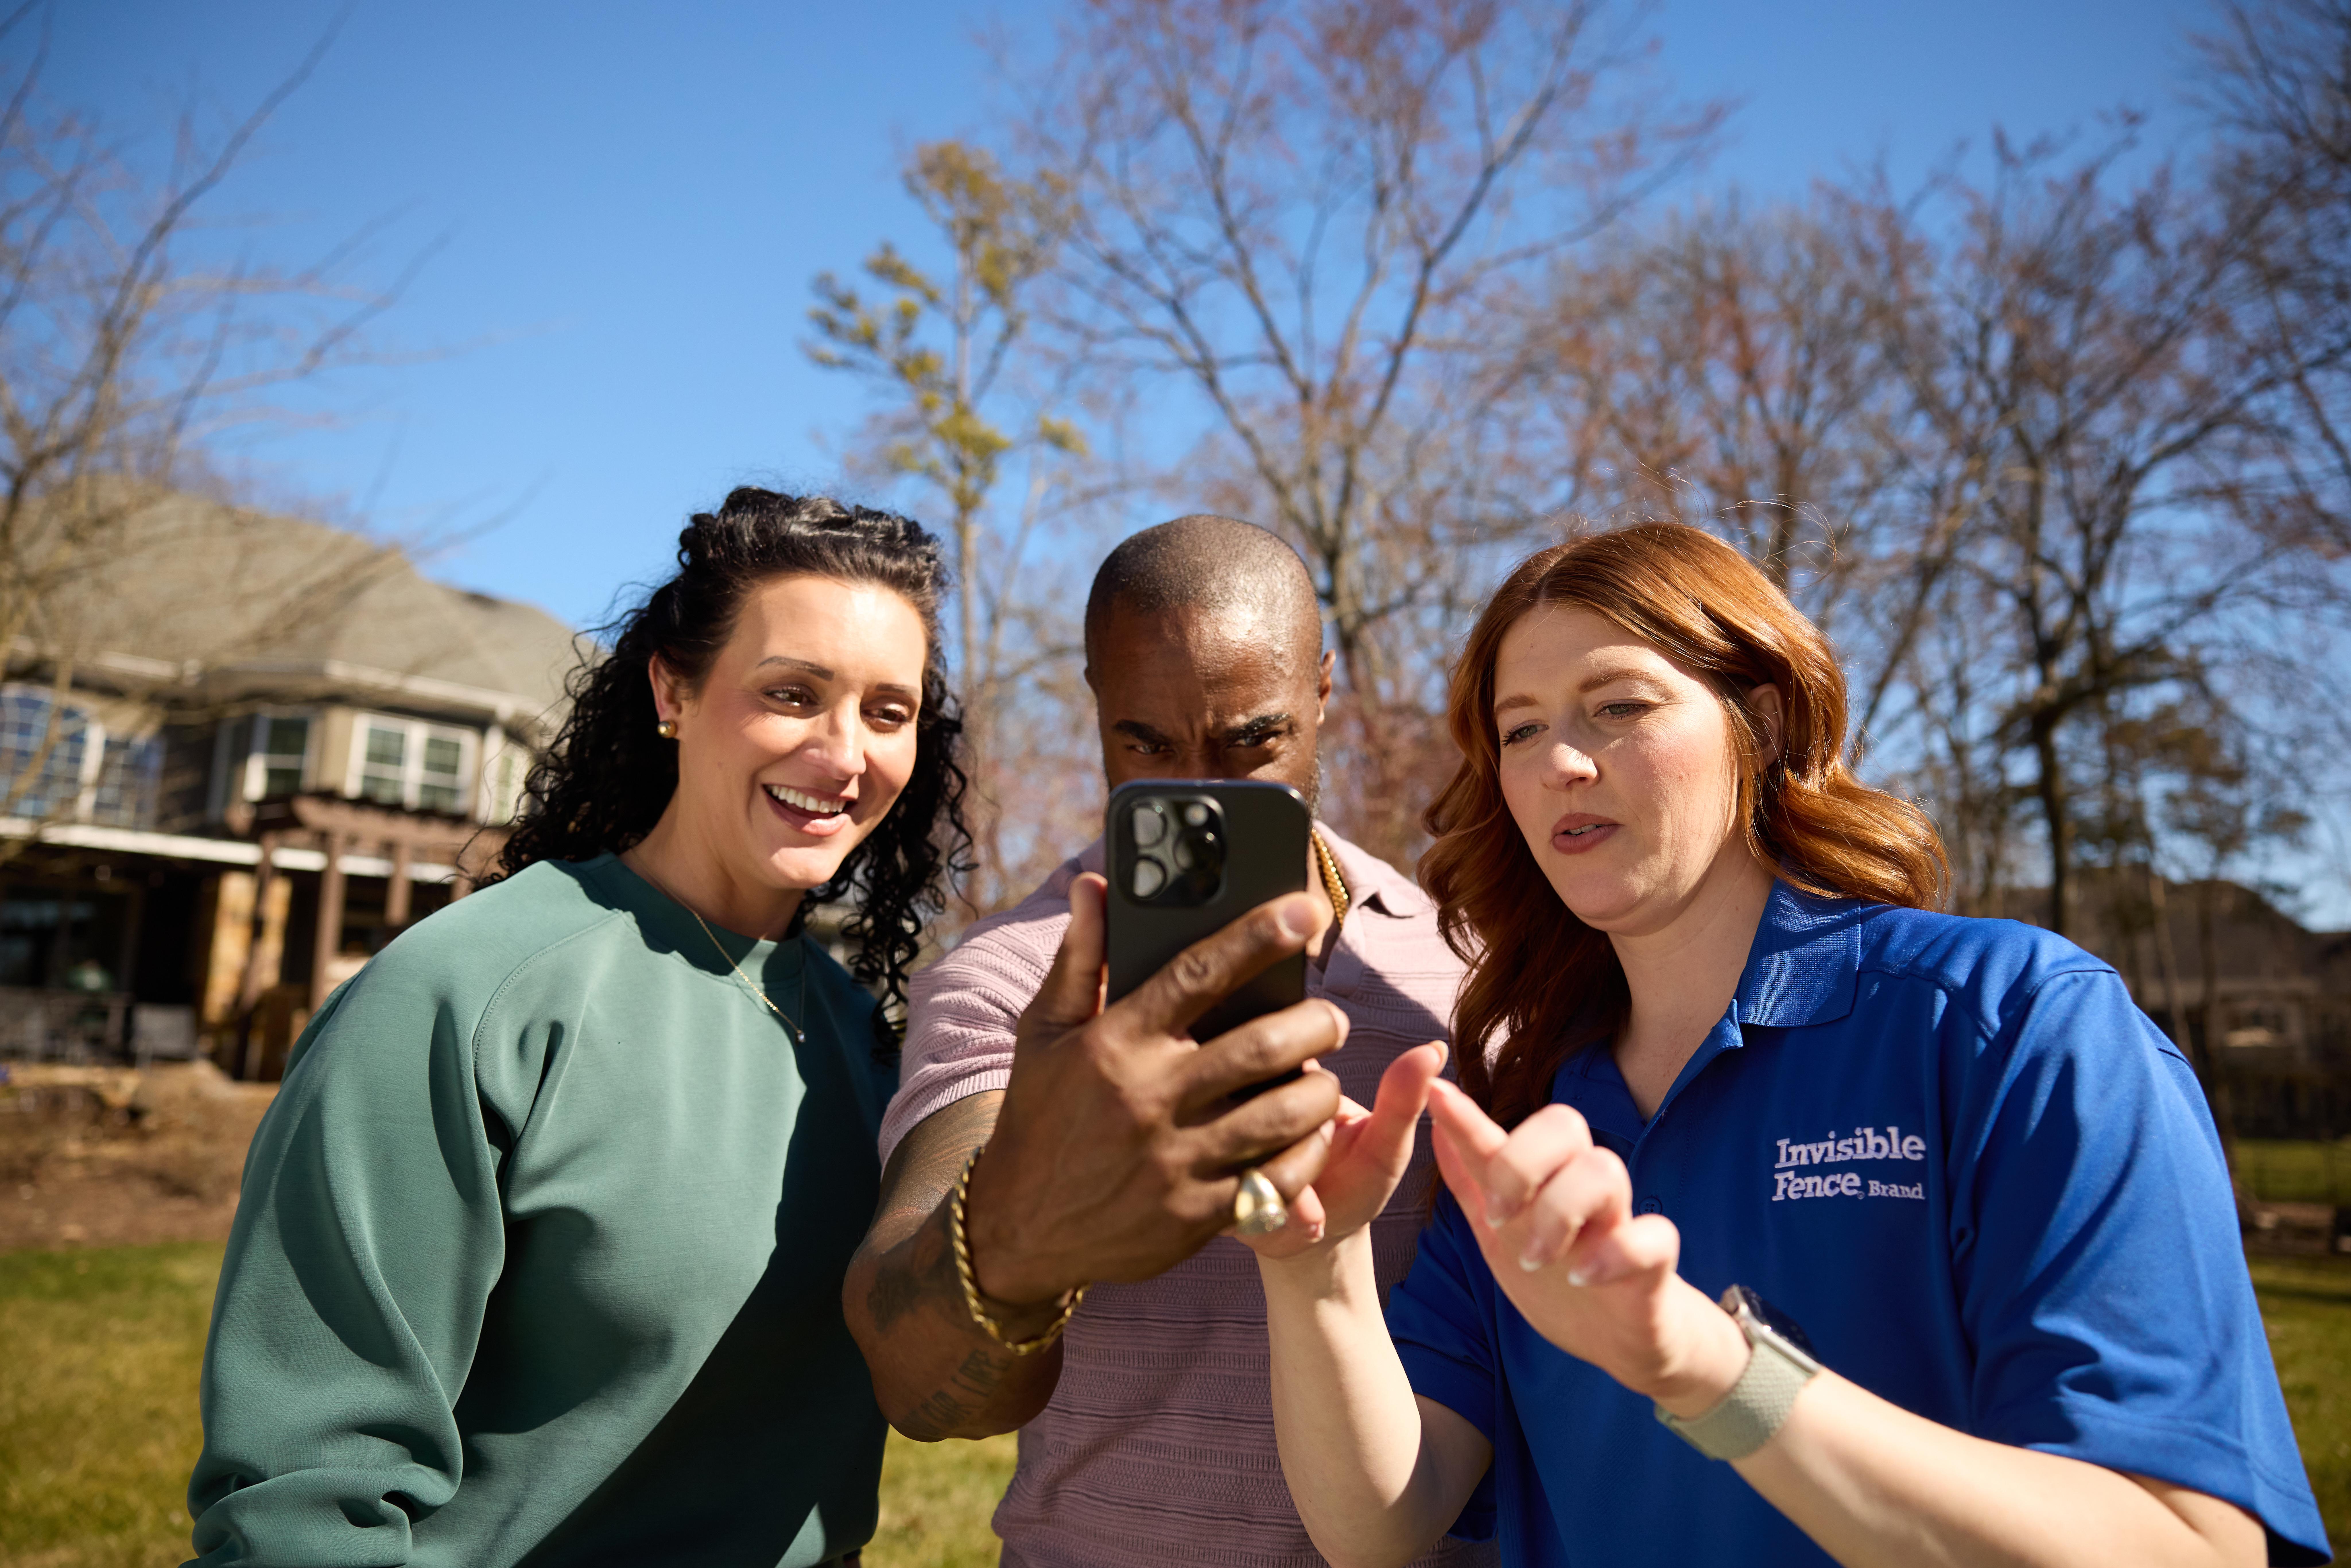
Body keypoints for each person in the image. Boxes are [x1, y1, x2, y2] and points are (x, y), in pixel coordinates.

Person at [1243, 523, 2330, 1568]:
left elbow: (2190, 1544)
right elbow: (1378, 1524)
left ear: (1758, 723)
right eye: (1520, 728)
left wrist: (1719, 1376)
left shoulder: (2012, 1025)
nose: (1560, 760)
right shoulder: (1531, 1124)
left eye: (1617, 704)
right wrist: (1314, 1267)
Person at [186, 489, 971, 1567]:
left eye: (890, 712)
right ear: (673, 690)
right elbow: (303, 1503)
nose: (845, 755)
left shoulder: (866, 1041)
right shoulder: (465, 999)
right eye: (792, 694)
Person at [844, 515, 1491, 1568]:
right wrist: (1027, 1217)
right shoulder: (1015, 979)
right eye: (1146, 745)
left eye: (1253, 742)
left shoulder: (1458, 966)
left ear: (1323, 691)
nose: (1203, 793)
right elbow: (916, 1379)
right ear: (1098, 705)